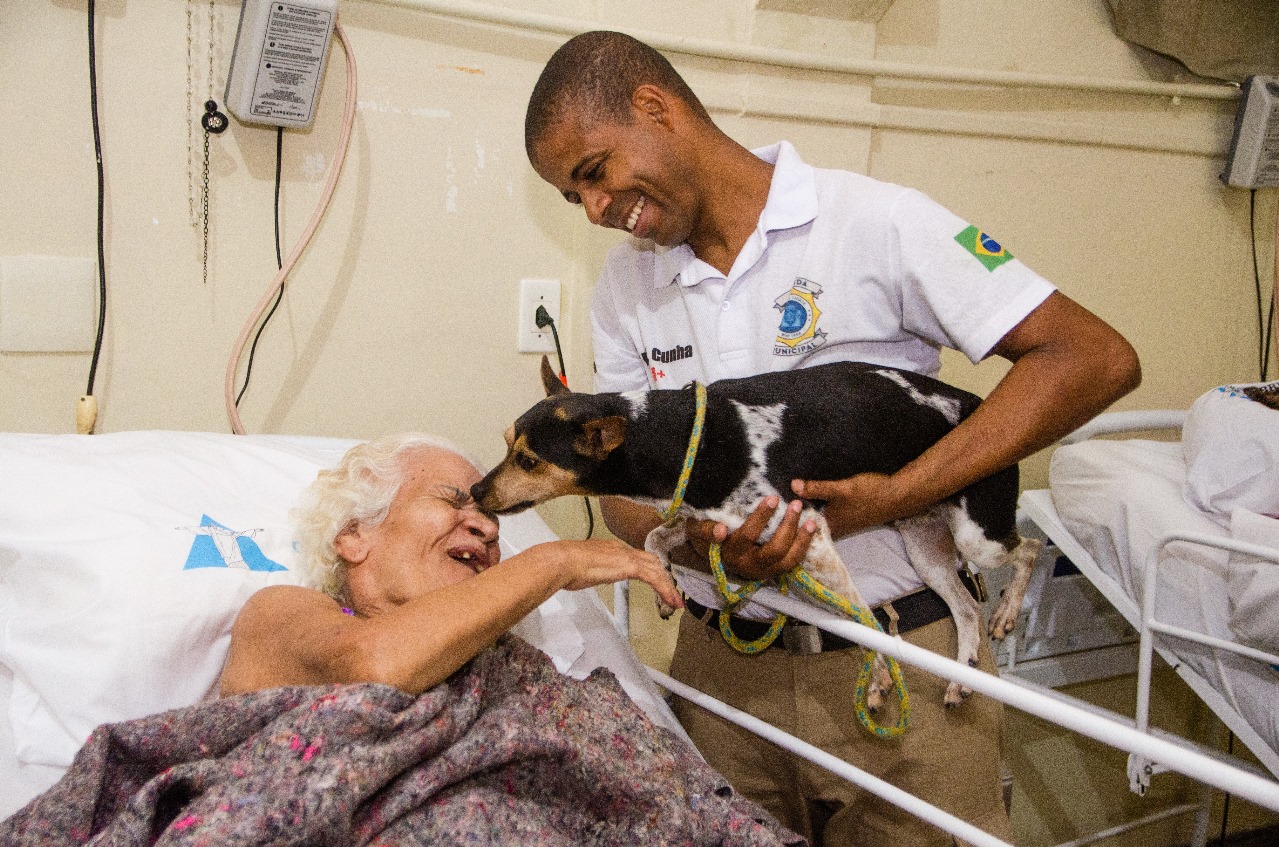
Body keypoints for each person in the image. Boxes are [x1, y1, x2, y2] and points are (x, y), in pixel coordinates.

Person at [523, 30, 1141, 846]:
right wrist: (704, 550)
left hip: (901, 669)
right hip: (721, 676)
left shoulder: (876, 224)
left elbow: (1091, 357)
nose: (597, 210)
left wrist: (898, 496)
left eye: (593, 173)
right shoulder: (627, 291)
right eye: (574, 199)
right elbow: (625, 502)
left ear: (653, 107)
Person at [218, 432, 683, 697]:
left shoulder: (506, 653)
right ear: (354, 534)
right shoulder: (279, 612)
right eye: (452, 501)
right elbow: (371, 664)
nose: (488, 528)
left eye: (490, 515)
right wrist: (554, 560)